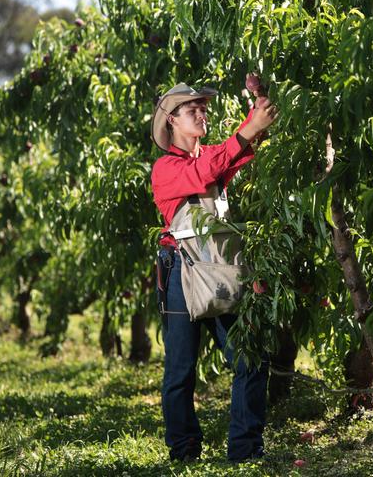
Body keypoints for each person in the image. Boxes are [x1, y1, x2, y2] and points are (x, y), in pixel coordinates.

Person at [150, 83, 277, 463]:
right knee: (180, 370)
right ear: (172, 120)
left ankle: (245, 448)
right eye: (193, 111)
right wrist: (249, 128)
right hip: (181, 275)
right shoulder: (166, 169)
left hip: (219, 271)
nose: (203, 115)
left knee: (251, 359)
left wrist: (259, 109)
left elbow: (233, 154)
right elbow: (208, 168)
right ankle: (184, 450)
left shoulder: (210, 158)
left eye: (203, 109)